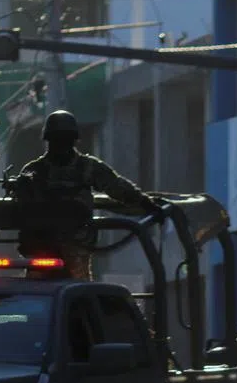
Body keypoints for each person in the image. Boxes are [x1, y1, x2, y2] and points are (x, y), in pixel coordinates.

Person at [14, 110, 165, 280]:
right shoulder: (34, 171)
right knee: (40, 289)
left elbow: (119, 188)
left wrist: (146, 204)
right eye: (58, 140)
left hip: (75, 243)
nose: (61, 146)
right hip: (42, 245)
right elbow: (23, 207)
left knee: (78, 289)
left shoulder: (86, 167)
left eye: (65, 140)